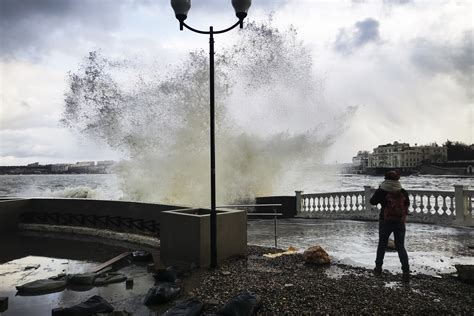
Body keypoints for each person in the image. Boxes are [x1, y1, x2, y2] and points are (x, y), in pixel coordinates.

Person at [370, 170, 410, 283]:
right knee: (401, 246)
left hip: (385, 221)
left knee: (382, 244)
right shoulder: (402, 191)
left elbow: (372, 201)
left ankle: (378, 268)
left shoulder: (382, 190)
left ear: (386, 178)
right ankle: (406, 272)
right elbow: (407, 204)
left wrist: (379, 190)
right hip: (400, 222)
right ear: (397, 179)